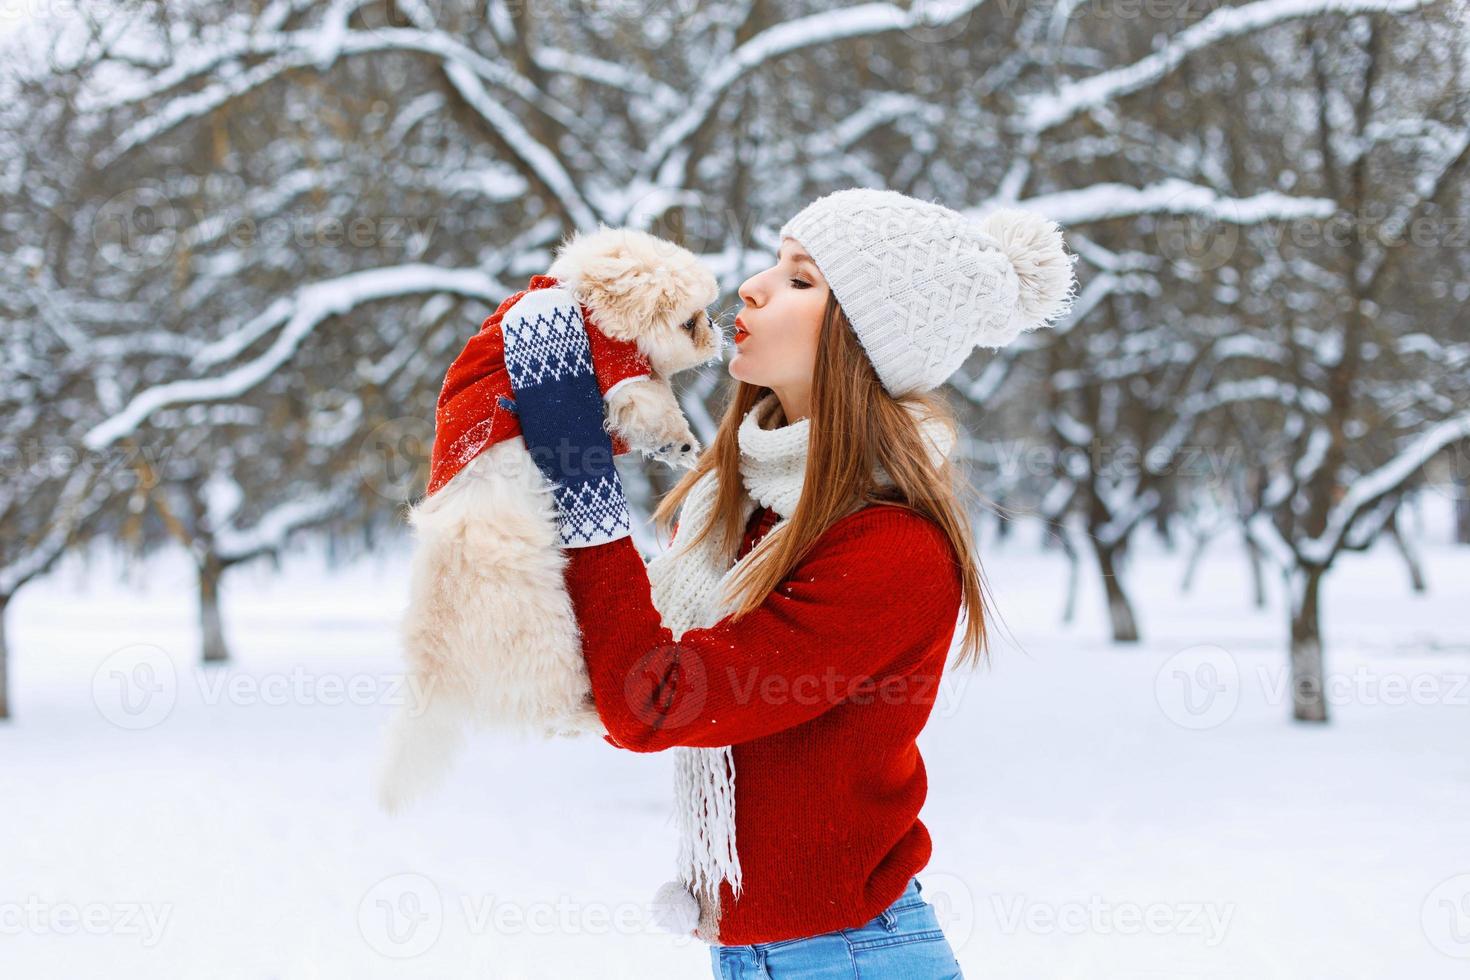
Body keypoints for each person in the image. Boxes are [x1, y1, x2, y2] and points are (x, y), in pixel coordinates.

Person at [502, 187, 1078, 978]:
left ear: (861, 341)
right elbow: (616, 657)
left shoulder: (889, 550)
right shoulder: (741, 511)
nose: (753, 287)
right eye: (775, 262)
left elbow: (654, 697)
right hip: (757, 953)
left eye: (803, 280)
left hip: (848, 956)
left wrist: (581, 480)